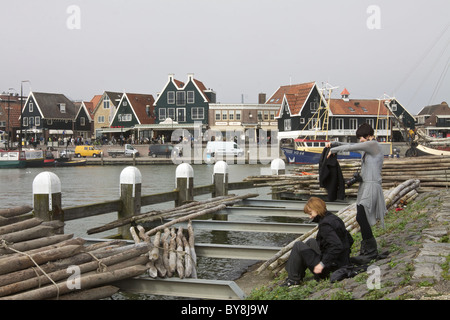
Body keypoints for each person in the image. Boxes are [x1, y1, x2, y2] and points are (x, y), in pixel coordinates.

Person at [327, 123, 386, 264]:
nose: (361, 140)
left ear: (370, 136)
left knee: (361, 216)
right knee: (360, 217)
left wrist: (334, 149)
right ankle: (368, 250)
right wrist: (334, 143)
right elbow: (351, 146)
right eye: (360, 138)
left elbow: (351, 147)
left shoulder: (373, 145)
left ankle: (370, 251)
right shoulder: (366, 149)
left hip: (371, 186)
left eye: (363, 137)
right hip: (364, 185)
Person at [282, 197, 354, 286]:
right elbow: (350, 240)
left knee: (298, 245)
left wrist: (322, 264)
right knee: (311, 241)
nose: (310, 216)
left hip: (330, 268)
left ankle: (293, 280)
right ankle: (297, 274)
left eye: (310, 213)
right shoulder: (334, 218)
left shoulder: (325, 225)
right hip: (341, 263)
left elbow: (337, 246)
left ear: (317, 209)